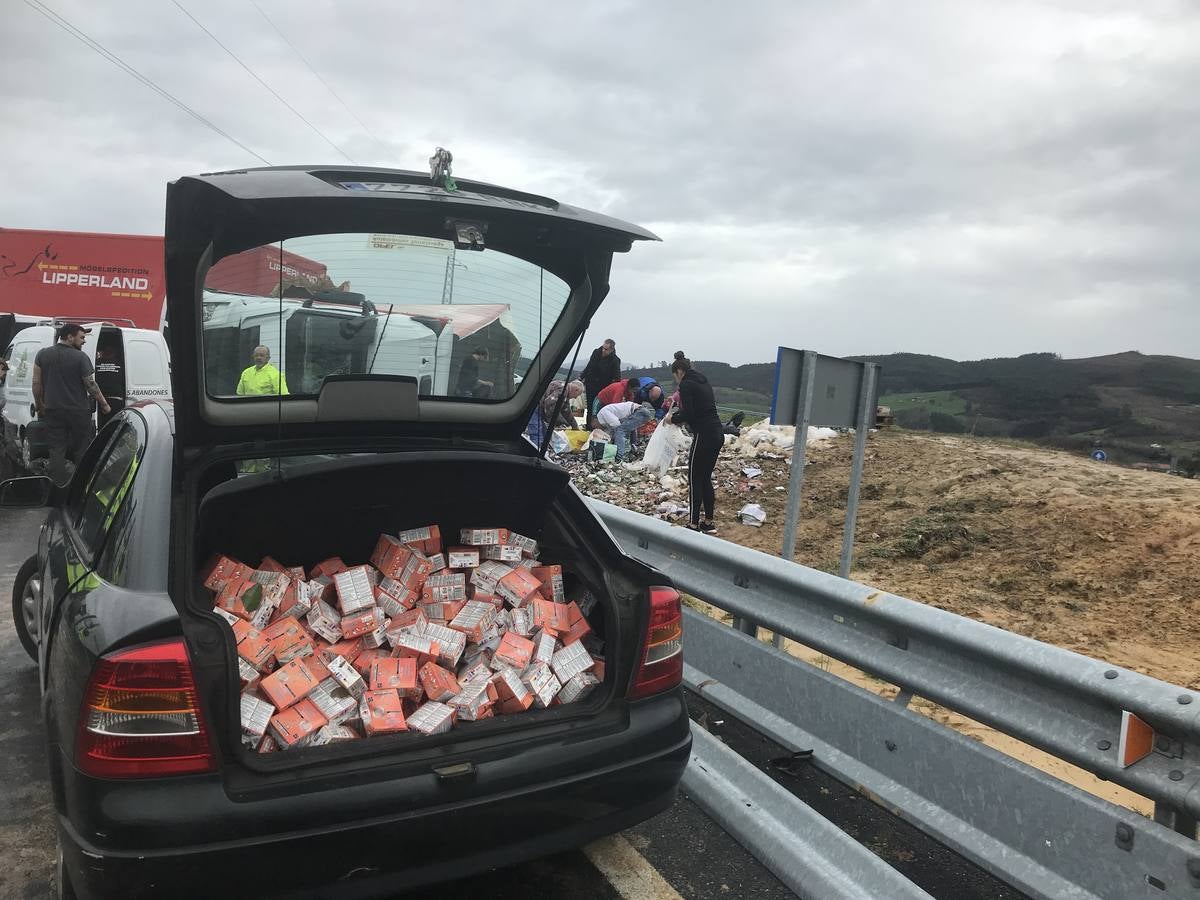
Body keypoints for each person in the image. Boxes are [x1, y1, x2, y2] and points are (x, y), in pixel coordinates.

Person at [33, 323, 111, 484]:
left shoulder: (42, 355)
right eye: (81, 337)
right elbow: (90, 385)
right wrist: (104, 404)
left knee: (56, 450)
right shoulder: (81, 357)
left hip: (53, 410)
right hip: (79, 412)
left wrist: (40, 405)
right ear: (69, 337)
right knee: (82, 450)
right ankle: (81, 486)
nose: (84, 341)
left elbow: (36, 384)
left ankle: (58, 487)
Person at [664, 350, 722, 534]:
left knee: (694, 477)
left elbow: (690, 413)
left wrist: (671, 419)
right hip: (717, 433)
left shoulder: (686, 384)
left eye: (675, 377)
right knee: (705, 477)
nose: (676, 381)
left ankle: (693, 523)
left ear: (679, 371)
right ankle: (709, 521)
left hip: (703, 434)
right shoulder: (701, 380)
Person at [527, 379, 585, 446]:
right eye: (577, 395)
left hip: (539, 407)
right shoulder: (563, 390)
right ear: (576, 390)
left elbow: (566, 411)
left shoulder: (564, 389)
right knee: (537, 435)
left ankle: (541, 449)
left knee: (545, 434)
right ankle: (534, 453)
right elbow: (549, 403)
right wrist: (552, 420)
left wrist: (574, 426)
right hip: (535, 407)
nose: (575, 398)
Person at [581, 338, 621, 414]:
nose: (603, 350)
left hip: (602, 387)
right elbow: (589, 366)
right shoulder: (596, 352)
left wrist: (614, 390)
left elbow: (617, 377)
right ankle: (589, 425)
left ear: (611, 350)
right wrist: (581, 377)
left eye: (606, 349)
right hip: (590, 384)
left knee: (599, 408)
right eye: (603, 348)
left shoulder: (615, 360)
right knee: (590, 407)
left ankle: (597, 425)